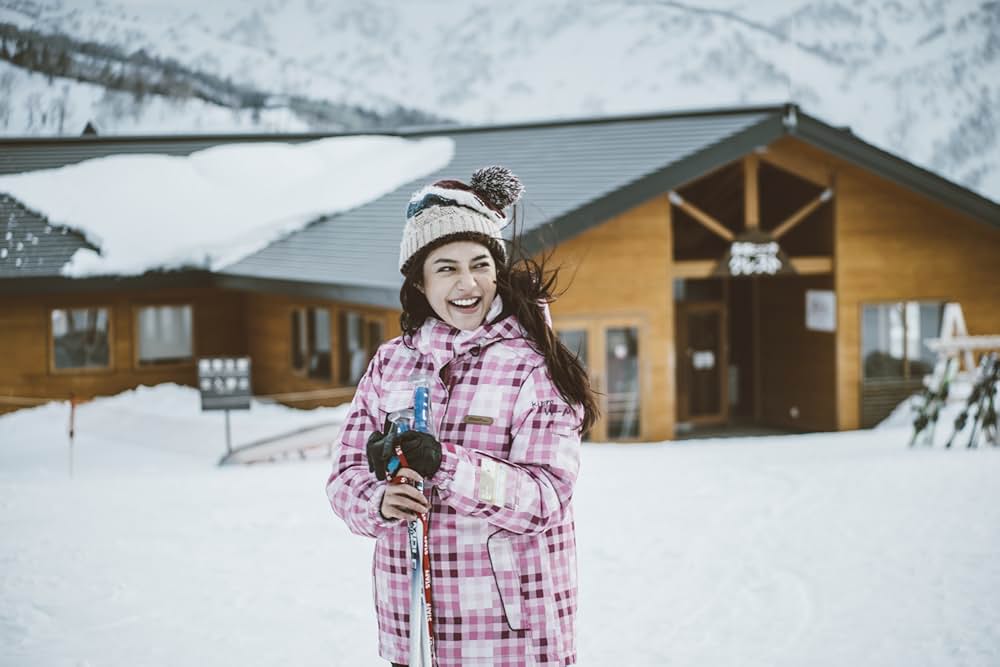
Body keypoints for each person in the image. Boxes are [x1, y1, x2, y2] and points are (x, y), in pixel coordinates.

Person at [326, 166, 599, 666]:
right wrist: (380, 500)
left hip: (508, 636)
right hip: (414, 630)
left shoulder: (532, 365)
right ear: (421, 282)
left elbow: (545, 498)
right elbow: (343, 477)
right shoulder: (392, 362)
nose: (467, 283)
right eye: (447, 268)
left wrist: (446, 466)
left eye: (479, 264)